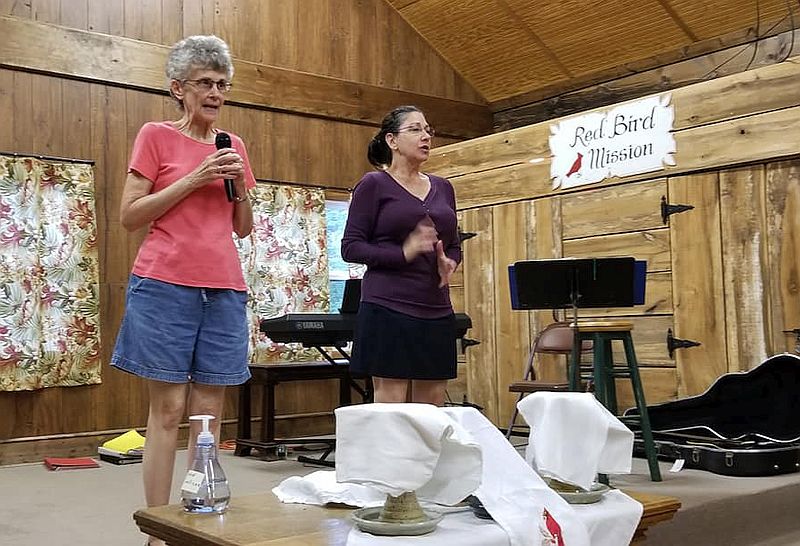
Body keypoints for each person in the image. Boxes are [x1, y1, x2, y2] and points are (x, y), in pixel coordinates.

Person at [110, 35, 255, 546]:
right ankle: (159, 528)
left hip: (224, 289)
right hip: (164, 284)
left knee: (209, 415)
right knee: (168, 410)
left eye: (222, 84)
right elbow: (130, 216)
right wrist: (194, 179)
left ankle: (196, 517)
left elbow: (244, 227)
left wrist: (237, 185)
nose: (215, 92)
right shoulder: (155, 136)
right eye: (204, 83)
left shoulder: (232, 145)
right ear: (178, 88)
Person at [341, 105, 461, 406]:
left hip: (436, 309)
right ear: (392, 141)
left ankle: (426, 457)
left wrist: (451, 263)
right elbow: (351, 247)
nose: (426, 137)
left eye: (428, 130)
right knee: (391, 407)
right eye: (415, 129)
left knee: (432, 408)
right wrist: (403, 253)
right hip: (388, 306)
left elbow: (454, 245)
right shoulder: (373, 184)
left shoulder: (444, 188)